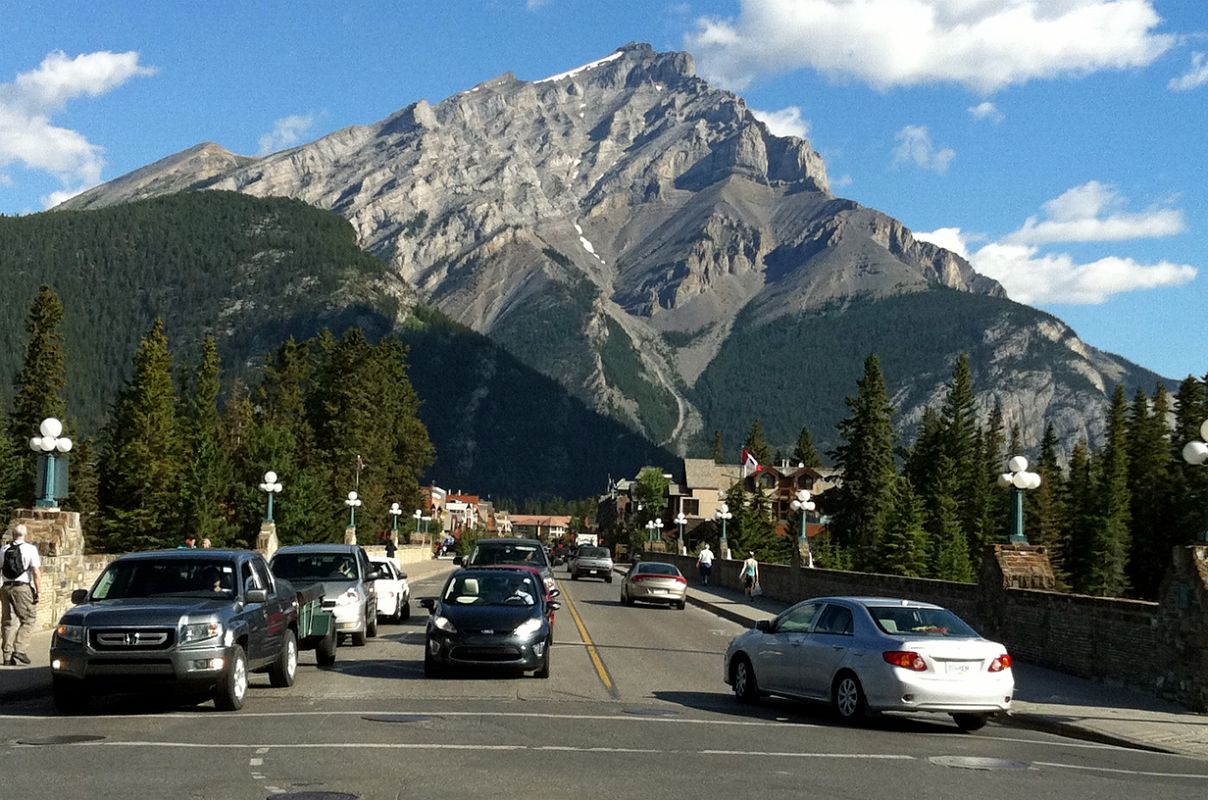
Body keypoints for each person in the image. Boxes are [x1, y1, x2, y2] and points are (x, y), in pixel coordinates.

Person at [1, 524, 42, 667]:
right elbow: (36, 572)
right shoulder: (30, 549)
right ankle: (20, 649)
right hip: (22, 587)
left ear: (13, 534)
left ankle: (6, 655)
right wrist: (38, 591)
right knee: (29, 618)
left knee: (7, 622)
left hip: (5, 588)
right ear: (25, 534)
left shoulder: (4, 549)